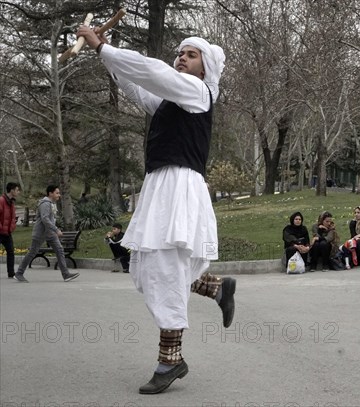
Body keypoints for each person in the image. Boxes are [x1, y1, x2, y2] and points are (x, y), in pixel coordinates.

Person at [76, 27, 233, 394]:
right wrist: (107, 59)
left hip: (179, 189)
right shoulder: (169, 100)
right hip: (161, 189)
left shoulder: (198, 92)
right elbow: (138, 85)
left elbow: (152, 72)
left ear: (204, 67)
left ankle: (170, 360)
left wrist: (103, 47)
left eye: (191, 55)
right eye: (180, 53)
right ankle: (216, 289)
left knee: (164, 270)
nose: (181, 57)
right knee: (147, 268)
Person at [13, 185, 80, 283]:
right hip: (41, 233)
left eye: (59, 193)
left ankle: (66, 275)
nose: (59, 195)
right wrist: (56, 229)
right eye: (57, 193)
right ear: (50, 193)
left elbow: (51, 219)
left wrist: (54, 230)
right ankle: (19, 273)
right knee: (32, 252)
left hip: (50, 233)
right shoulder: (45, 204)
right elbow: (45, 219)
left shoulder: (52, 203)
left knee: (60, 250)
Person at [1, 182, 21, 278]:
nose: (18, 192)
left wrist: (12, 226)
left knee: (11, 252)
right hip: (0, 231)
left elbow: (12, 217)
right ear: (12, 190)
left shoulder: (12, 202)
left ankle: (11, 273)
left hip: (7, 232)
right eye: (17, 190)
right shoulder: (1, 200)